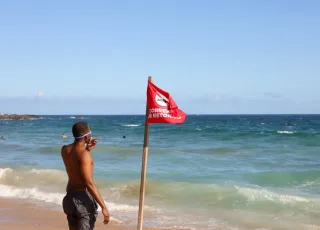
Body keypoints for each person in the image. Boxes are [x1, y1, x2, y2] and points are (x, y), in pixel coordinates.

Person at [61, 122, 109, 230]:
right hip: (82, 200)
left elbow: (76, 163)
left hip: (69, 197)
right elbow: (89, 183)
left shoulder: (64, 150)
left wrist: (87, 149)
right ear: (87, 136)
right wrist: (104, 207)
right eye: (90, 133)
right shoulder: (84, 155)